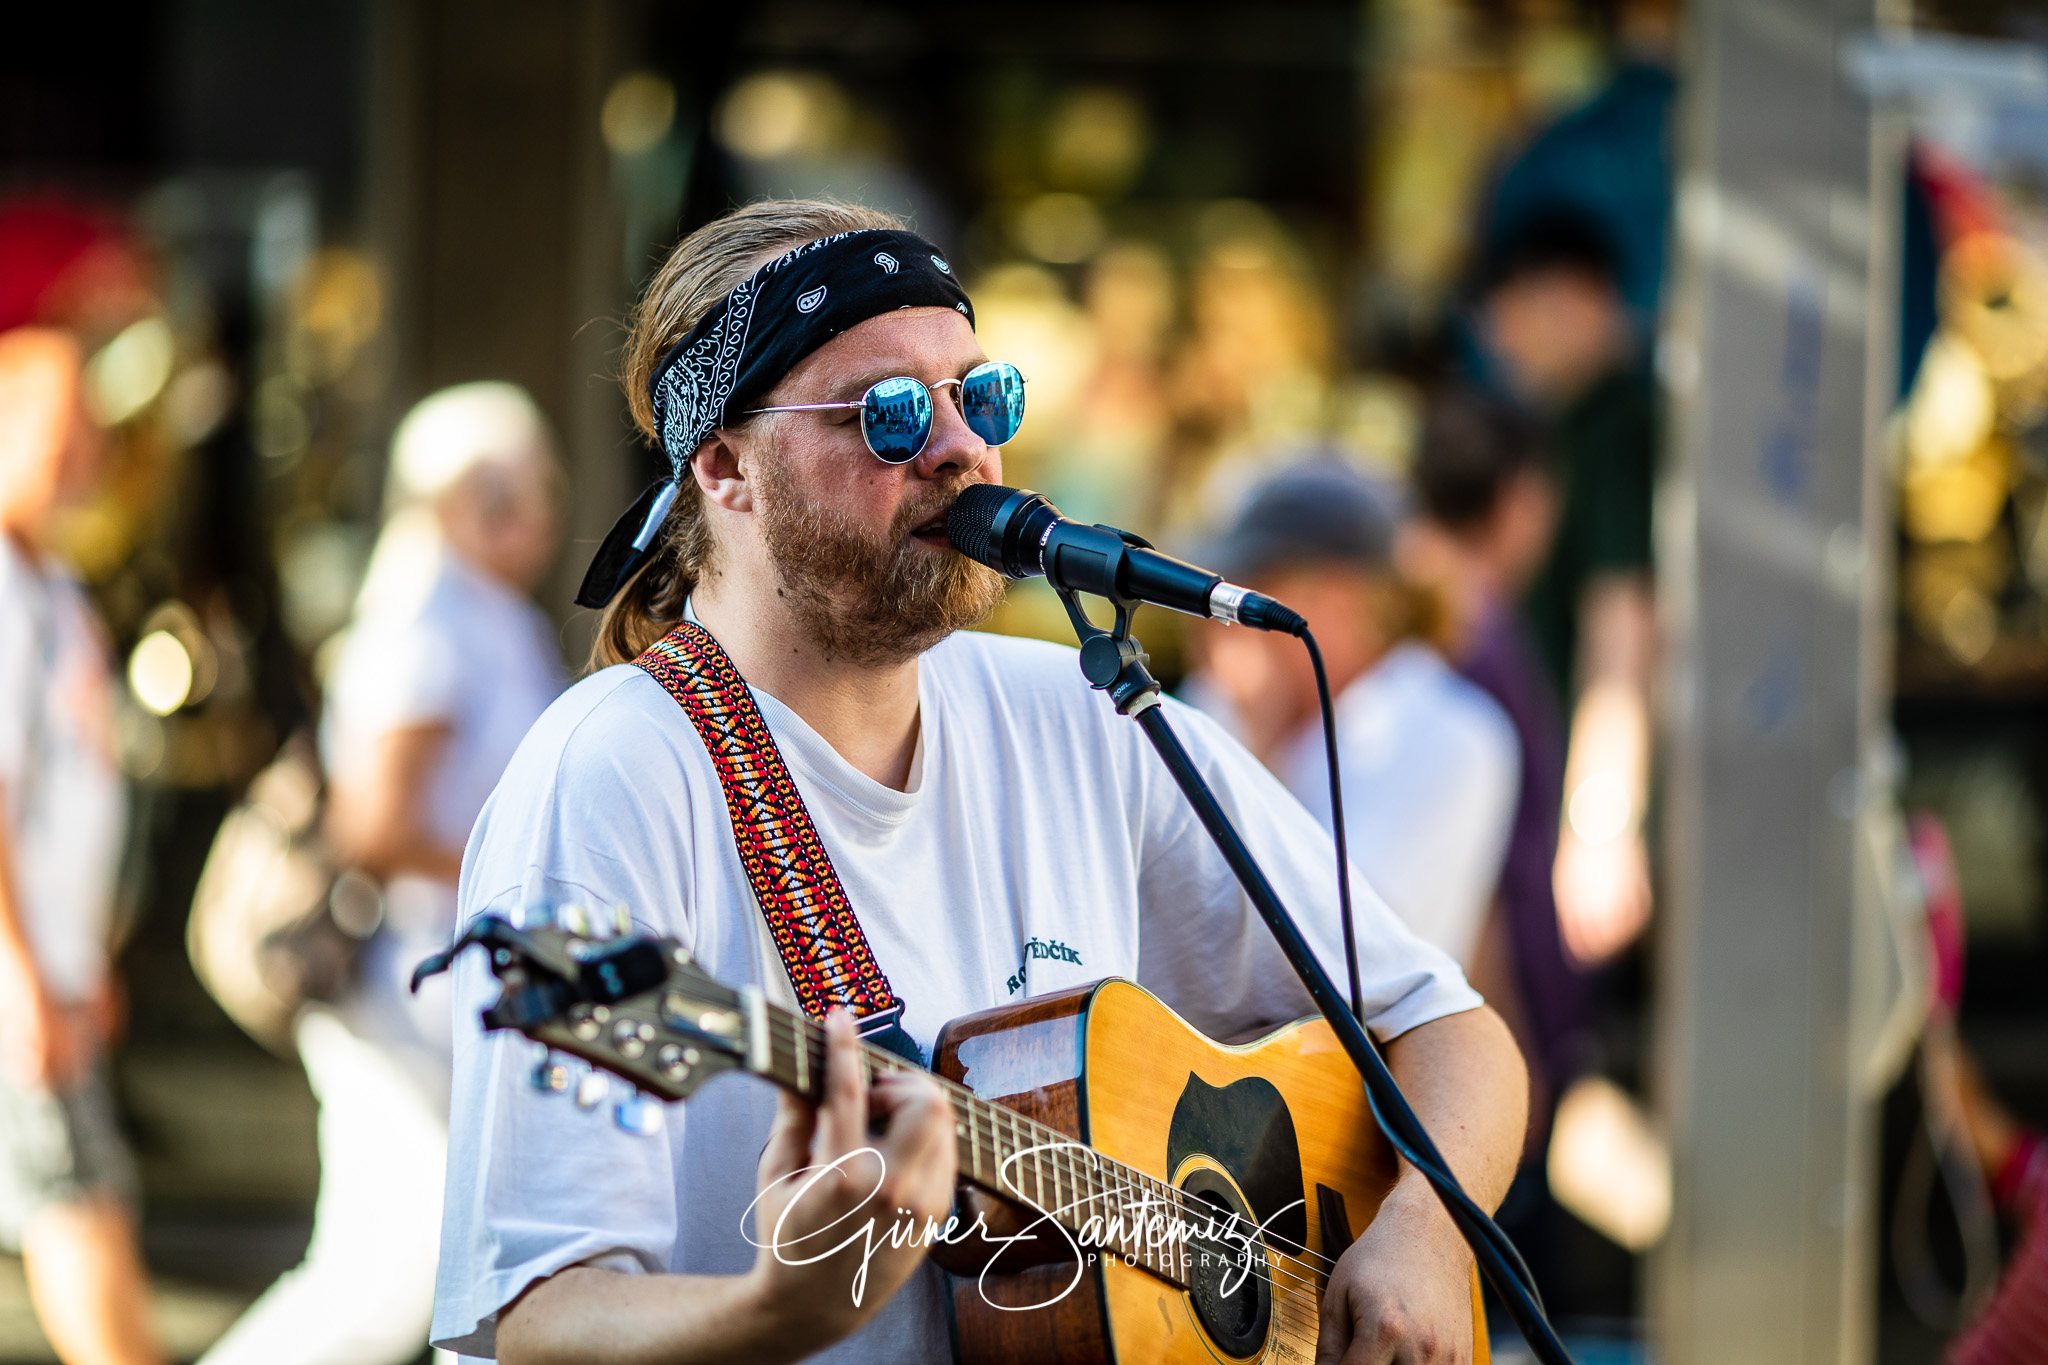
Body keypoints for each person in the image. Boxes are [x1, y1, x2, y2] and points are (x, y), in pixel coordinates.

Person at [430, 200, 1528, 1364]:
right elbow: (539, 1318)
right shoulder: (614, 774)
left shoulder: (1084, 714)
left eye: (979, 396)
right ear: (724, 466)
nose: (958, 447)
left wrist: (1424, 1230)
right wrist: (774, 1314)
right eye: (889, 412)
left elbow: (1447, 1031)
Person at [198, 383, 565, 1365]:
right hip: (401, 994)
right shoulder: (427, 616)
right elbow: (373, 825)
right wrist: (518, 874)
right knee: (383, 1277)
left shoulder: (484, 611)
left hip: (462, 991)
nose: (541, 510)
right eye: (523, 486)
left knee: (479, 1269)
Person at [1184, 458, 1519, 968]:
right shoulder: (1226, 700)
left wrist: (1257, 750)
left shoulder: (1448, 735)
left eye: (1246, 586)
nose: (1217, 616)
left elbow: (1336, 950)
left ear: (1335, 597)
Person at [0, 326, 162, 1365]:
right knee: (80, 1207)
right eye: (56, 430)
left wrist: (80, 960)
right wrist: (23, 976)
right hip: (21, 985)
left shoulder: (46, 583)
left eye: (87, 429)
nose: (80, 453)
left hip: (48, 971)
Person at [1463, 212, 1658, 972]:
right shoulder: (1579, 421)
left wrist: (1601, 824)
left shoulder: (1613, 428)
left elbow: (1623, 625)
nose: (1500, 342)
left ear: (1572, 296)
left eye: (1509, 313)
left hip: (1588, 801)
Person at [1404, 388, 1589, 1131]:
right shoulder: (1472, 639)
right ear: (1520, 499)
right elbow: (1477, 872)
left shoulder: (1421, 613)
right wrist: (1503, 1050)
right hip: (1464, 1030)